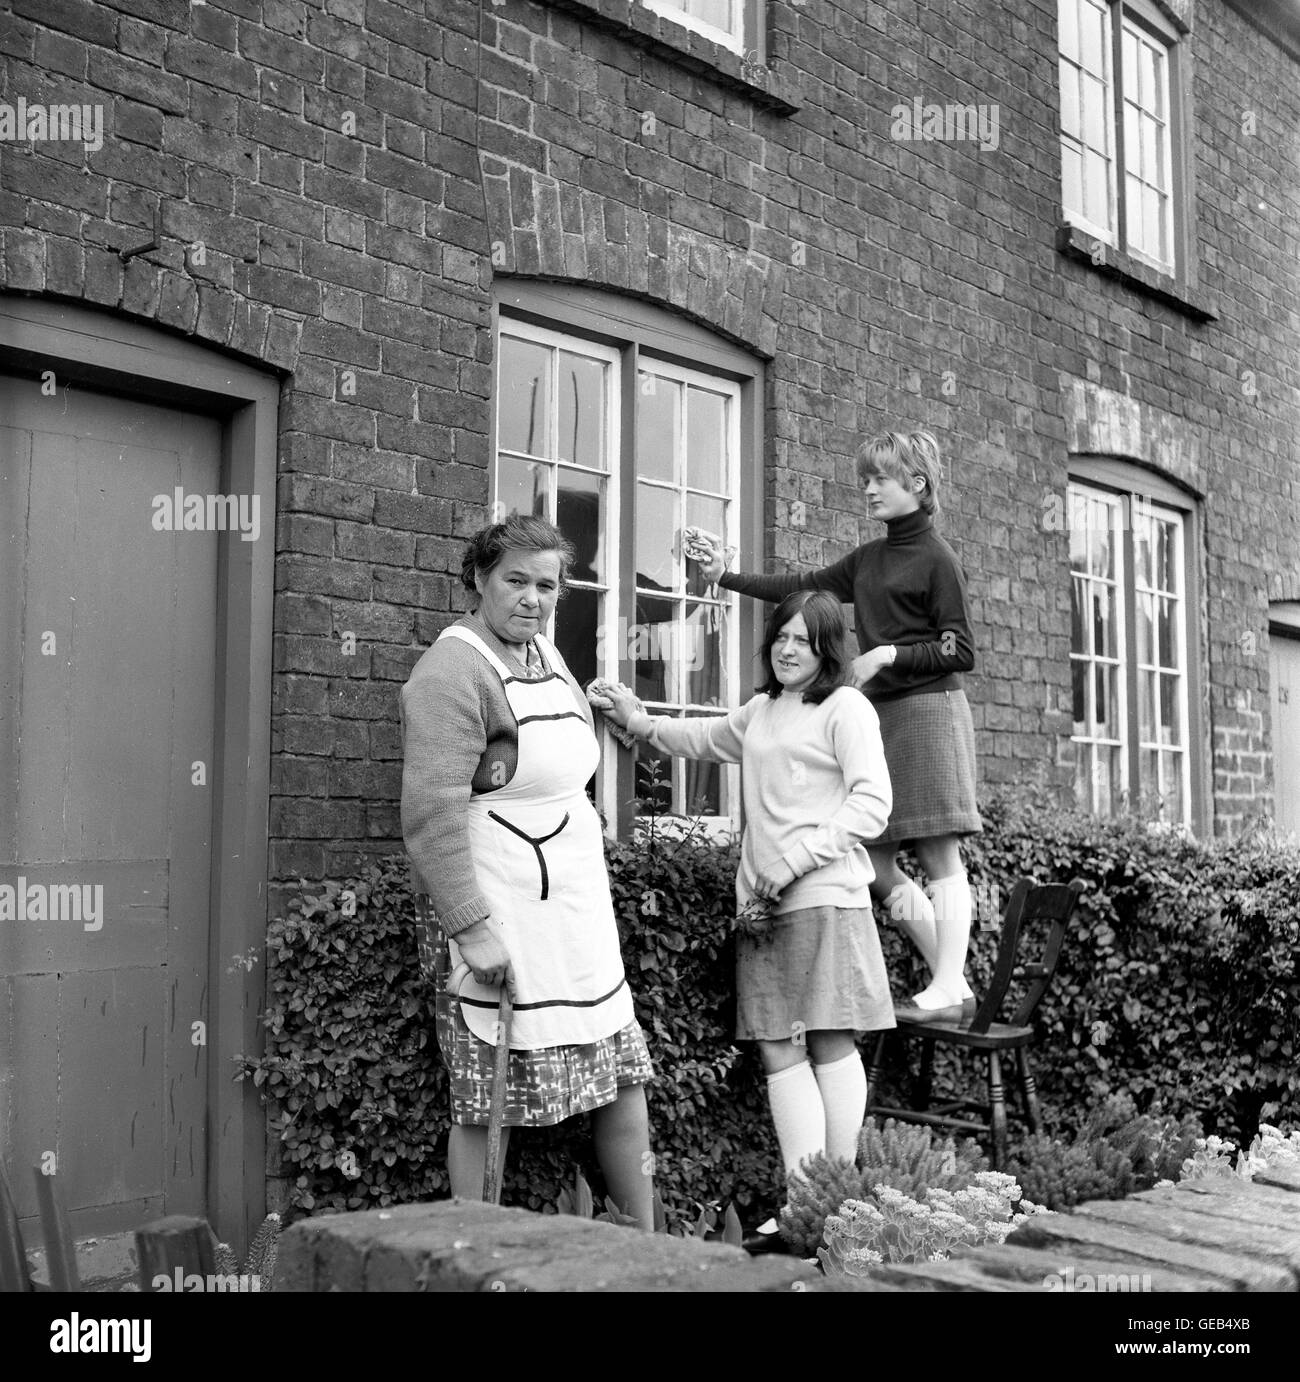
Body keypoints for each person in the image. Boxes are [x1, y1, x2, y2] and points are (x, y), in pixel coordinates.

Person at [400, 515, 654, 1227]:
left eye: (547, 586)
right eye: (516, 581)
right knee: (485, 1101)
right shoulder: (451, 671)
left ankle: (653, 1248)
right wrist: (472, 929)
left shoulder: (546, 655)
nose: (532, 599)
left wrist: (613, 716)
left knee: (621, 1078)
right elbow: (430, 816)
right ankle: (471, 1255)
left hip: (575, 914)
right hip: (499, 906)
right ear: (478, 579)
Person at [686, 430, 982, 1019]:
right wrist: (726, 577)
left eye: (881, 479)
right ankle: (954, 982)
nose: (868, 489)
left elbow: (959, 649)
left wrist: (887, 655)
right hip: (883, 716)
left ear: (917, 485)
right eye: (865, 478)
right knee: (875, 865)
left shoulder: (938, 559)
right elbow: (801, 587)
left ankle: (949, 983)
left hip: (930, 713)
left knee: (940, 852)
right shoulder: (871, 559)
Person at [595, 590, 894, 1174]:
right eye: (781, 636)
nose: (788, 649)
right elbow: (704, 738)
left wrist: (794, 861)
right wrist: (638, 720)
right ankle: (805, 1196)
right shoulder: (764, 710)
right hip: (760, 905)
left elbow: (873, 804)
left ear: (827, 647)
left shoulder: (846, 708)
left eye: (803, 640)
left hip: (823, 898)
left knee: (830, 1040)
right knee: (778, 1047)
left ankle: (835, 1196)